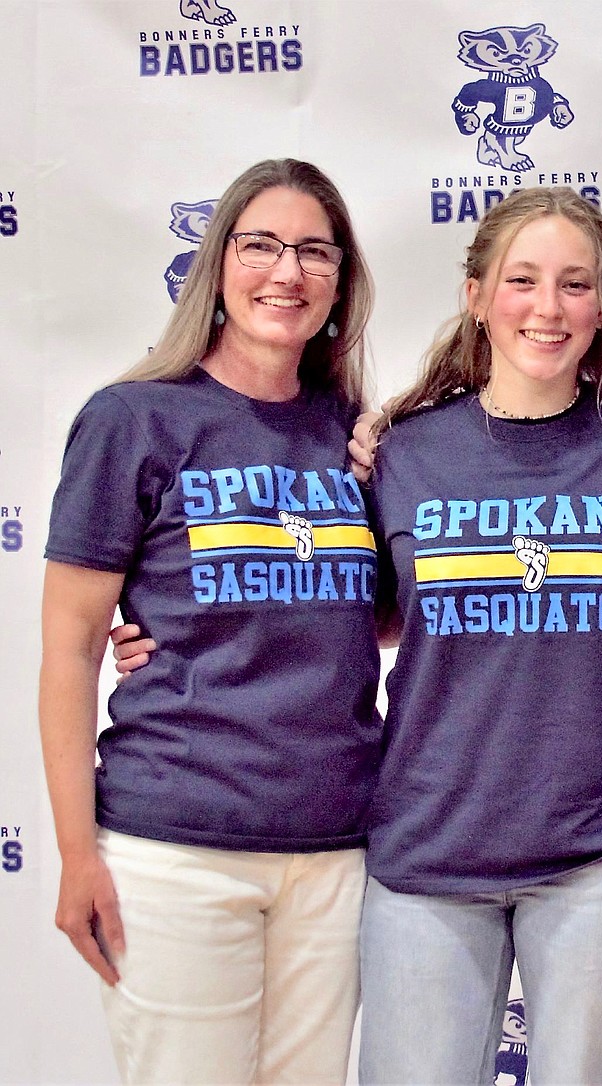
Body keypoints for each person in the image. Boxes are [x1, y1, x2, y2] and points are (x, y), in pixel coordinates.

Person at [40, 158, 382, 1084]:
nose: (288, 272)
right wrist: (76, 855)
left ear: (342, 283)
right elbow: (71, 649)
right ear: (218, 263)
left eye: (316, 252)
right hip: (176, 848)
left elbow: (373, 616)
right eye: (262, 245)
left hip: (337, 848)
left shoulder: (353, 433)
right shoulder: (133, 419)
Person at [353, 187, 602, 1084]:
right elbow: (351, 609)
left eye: (576, 285)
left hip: (598, 849)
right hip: (428, 844)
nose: (548, 307)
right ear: (476, 294)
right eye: (522, 280)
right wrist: (167, 631)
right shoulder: (403, 449)